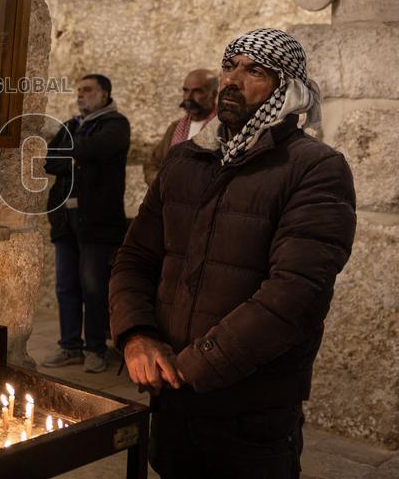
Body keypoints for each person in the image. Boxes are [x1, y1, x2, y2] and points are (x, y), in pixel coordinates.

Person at [110, 28, 356, 478]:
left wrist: (193, 365)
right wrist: (136, 335)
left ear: (288, 90)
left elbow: (296, 294)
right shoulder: (186, 160)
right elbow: (135, 258)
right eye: (229, 66)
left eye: (254, 71)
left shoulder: (314, 168)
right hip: (173, 401)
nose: (232, 80)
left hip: (251, 409)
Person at [43, 74, 130, 373]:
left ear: (104, 94)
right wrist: (78, 157)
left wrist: (76, 154)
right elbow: (49, 161)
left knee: (94, 288)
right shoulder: (71, 126)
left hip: (97, 221)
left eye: (87, 90)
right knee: (66, 286)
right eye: (79, 90)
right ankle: (70, 347)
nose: (81, 95)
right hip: (65, 220)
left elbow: (93, 150)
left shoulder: (116, 125)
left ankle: (96, 349)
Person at [143, 68, 218, 186]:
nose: (189, 97)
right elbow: (153, 163)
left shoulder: (223, 129)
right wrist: (162, 184)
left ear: (213, 94)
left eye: (197, 91)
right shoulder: (175, 128)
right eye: (186, 90)